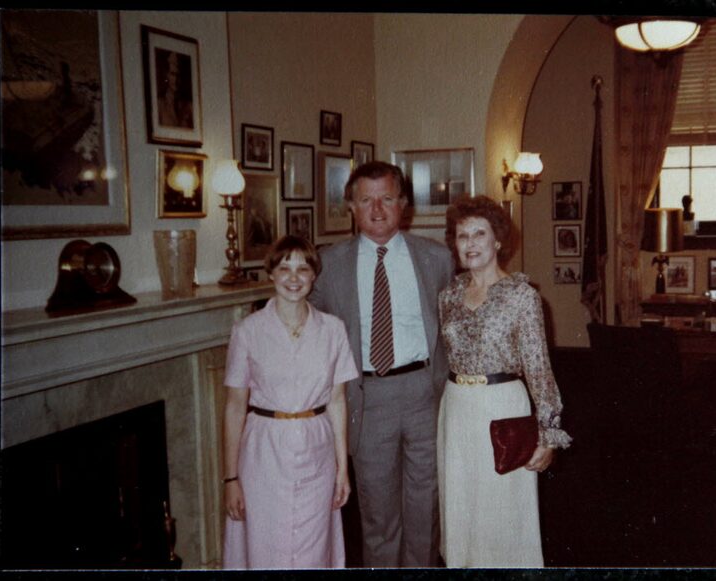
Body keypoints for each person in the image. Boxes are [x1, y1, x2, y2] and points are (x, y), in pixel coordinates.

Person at [309, 161, 455, 567]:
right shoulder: (327, 265)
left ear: (403, 205)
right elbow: (309, 328)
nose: (377, 210)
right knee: (377, 513)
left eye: (386, 199)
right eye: (366, 200)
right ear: (351, 207)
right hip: (367, 397)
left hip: (426, 392)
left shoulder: (437, 258)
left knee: (426, 507)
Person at [437, 195, 571, 568]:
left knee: (503, 511)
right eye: (463, 236)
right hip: (457, 408)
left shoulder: (522, 296)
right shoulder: (448, 296)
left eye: (480, 233)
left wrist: (547, 434)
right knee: (460, 506)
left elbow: (539, 369)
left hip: (502, 407)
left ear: (498, 240)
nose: (471, 243)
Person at [221, 235, 359, 569]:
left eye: (303, 269)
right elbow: (235, 407)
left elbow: (338, 402)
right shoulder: (247, 331)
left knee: (315, 548)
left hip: (318, 451)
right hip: (263, 453)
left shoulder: (333, 330)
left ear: (314, 276)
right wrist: (230, 479)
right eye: (284, 268)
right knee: (265, 546)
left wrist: (342, 470)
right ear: (271, 274)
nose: (293, 278)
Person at [157, 50, 193, 129]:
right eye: (173, 74)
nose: (176, 79)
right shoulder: (159, 105)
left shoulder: (189, 107)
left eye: (178, 75)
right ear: (167, 76)